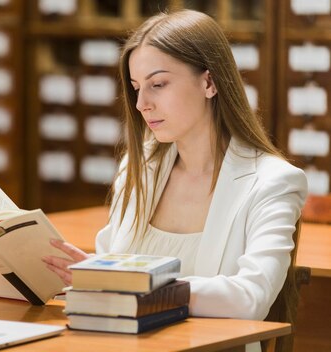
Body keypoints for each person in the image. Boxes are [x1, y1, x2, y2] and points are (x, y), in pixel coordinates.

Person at [42, 8, 307, 334]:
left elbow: (252, 297)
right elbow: (113, 281)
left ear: (209, 82)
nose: (141, 104)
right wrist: (89, 274)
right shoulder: (139, 167)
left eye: (158, 84)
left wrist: (143, 286)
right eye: (137, 87)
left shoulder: (273, 182)